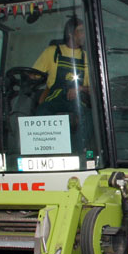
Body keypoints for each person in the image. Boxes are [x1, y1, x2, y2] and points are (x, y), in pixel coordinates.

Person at [32, 16, 93, 152]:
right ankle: (44, 152)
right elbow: (34, 75)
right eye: (81, 31)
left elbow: (94, 89)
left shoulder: (85, 57)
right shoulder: (52, 52)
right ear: (70, 33)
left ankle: (79, 153)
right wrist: (28, 77)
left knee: (89, 117)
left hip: (77, 100)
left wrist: (80, 88)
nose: (84, 35)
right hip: (55, 97)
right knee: (42, 113)